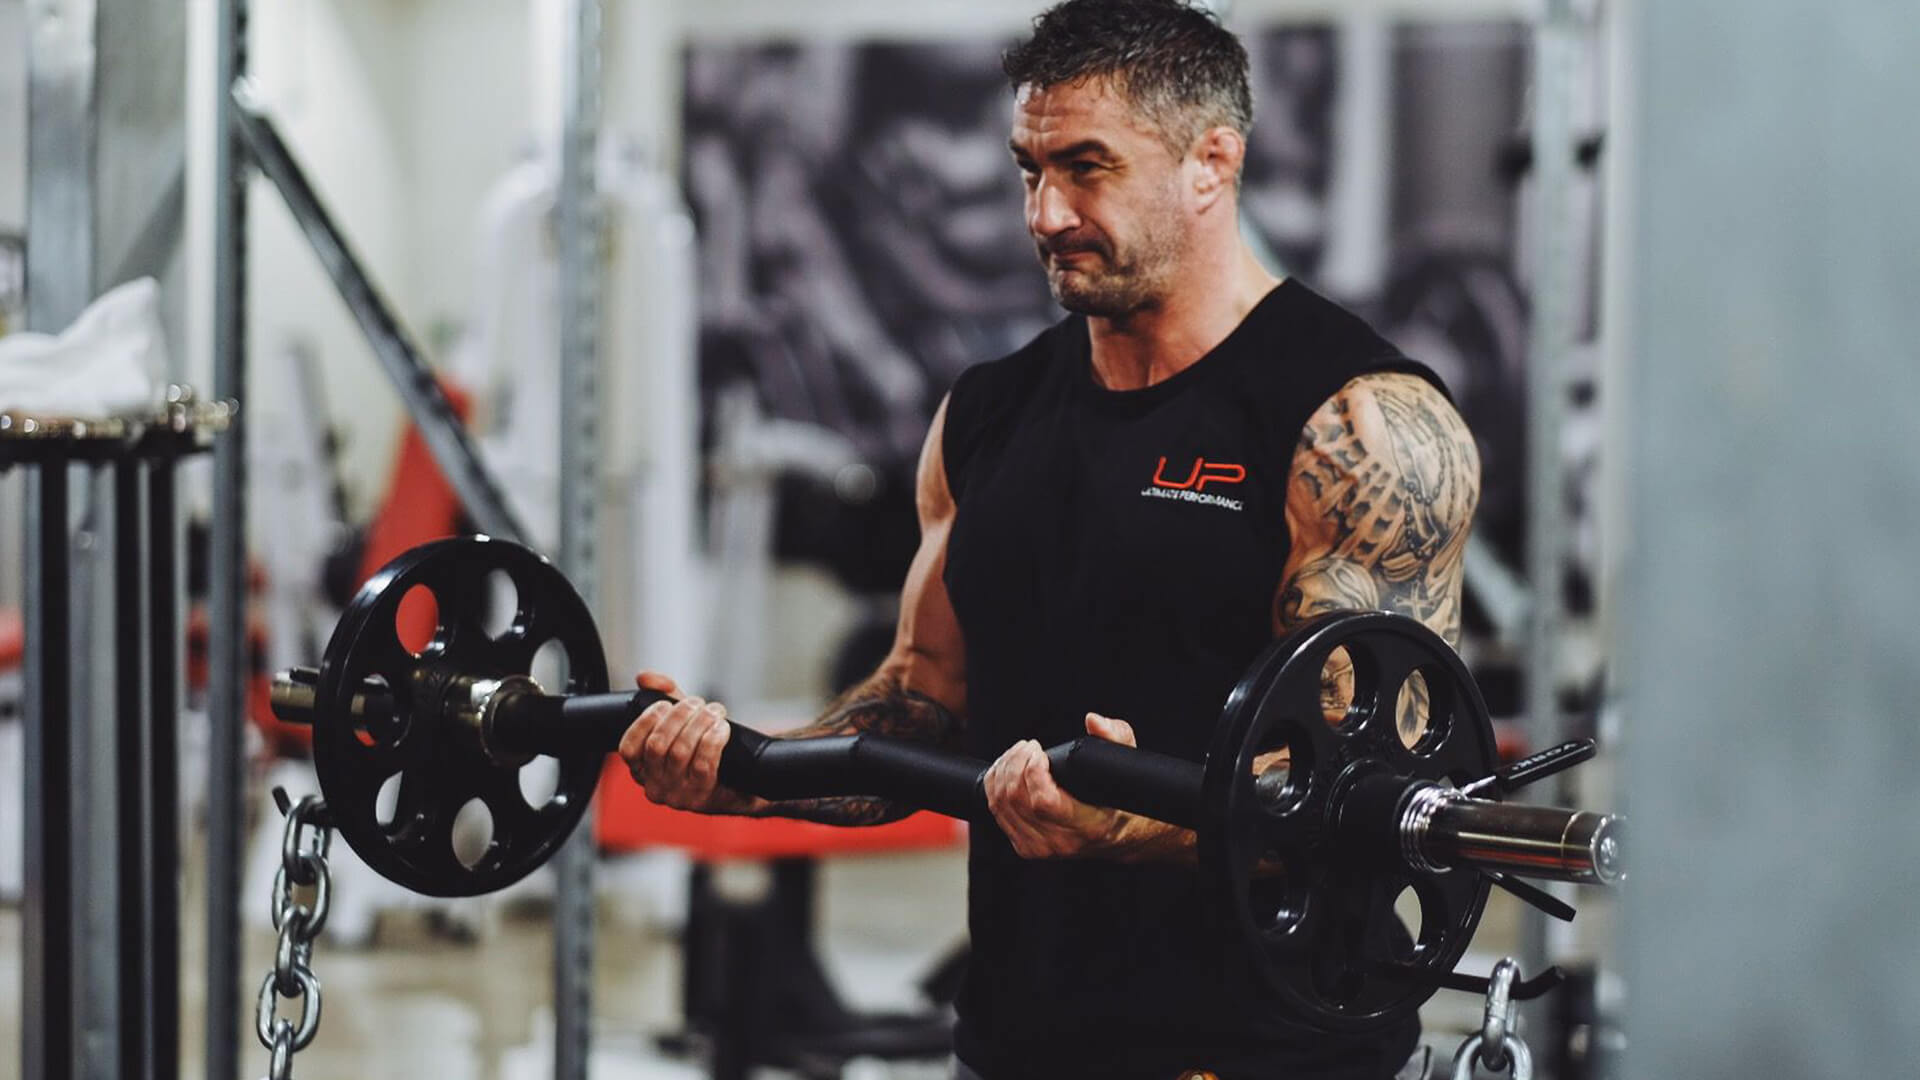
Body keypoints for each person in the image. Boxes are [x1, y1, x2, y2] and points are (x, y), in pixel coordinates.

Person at [619, 2, 1479, 1077]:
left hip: (1267, 1050)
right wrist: (744, 770)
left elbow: (1364, 797)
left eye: (1086, 168)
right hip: (1016, 1038)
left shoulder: (1356, 426)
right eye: (1029, 170)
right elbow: (922, 702)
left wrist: (1134, 825)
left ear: (1211, 163)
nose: (1046, 213)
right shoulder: (988, 414)